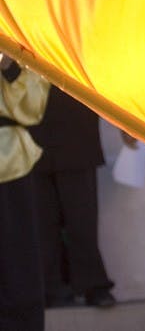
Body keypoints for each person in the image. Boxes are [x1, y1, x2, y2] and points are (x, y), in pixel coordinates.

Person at [28, 87, 116, 308]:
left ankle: (93, 286)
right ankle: (51, 289)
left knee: (81, 220)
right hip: (30, 135)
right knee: (42, 224)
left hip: (76, 133)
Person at [0, 54, 50, 331]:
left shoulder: (20, 43)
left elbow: (34, 108)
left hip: (10, 165)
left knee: (18, 270)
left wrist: (9, 67)